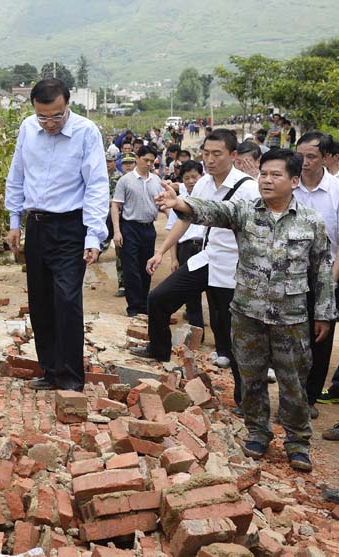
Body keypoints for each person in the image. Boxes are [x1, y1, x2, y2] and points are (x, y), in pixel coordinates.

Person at [156, 149, 336, 472]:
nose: (267, 180)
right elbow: (213, 211)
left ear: (294, 181)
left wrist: (323, 313)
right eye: (263, 174)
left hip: (291, 319)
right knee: (251, 378)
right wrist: (181, 203)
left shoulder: (311, 222)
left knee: (293, 382)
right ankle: (257, 432)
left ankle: (297, 443)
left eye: (276, 174)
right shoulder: (245, 212)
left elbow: (321, 271)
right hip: (248, 314)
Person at [140, 131, 259, 412]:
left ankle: (245, 400)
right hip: (207, 258)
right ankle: (158, 350)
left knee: (230, 334)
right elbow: (187, 217)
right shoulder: (204, 182)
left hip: (234, 267)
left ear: (233, 156)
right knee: (159, 298)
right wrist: (161, 250)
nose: (210, 159)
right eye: (206, 153)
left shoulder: (247, 188)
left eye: (217, 154)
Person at [5, 78, 110, 391]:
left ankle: (71, 378)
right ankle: (50, 371)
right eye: (43, 116)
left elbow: (96, 185)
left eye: (56, 115)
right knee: (41, 301)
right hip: (37, 225)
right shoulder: (27, 129)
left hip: (70, 227)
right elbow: (17, 174)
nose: (49, 123)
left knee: (66, 300)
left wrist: (94, 235)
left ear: (68, 105)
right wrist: (14, 220)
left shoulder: (86, 132)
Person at [293, 132, 339, 420]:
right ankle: (292, 395)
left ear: (325, 158)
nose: (305, 162)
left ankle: (309, 397)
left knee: (320, 336)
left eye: (311, 157)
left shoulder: (336, 190)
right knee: (290, 337)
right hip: (289, 275)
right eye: (301, 157)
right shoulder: (289, 185)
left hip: (329, 275)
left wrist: (330, 284)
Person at [111, 146, 166, 316]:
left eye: (151, 161)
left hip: (148, 229)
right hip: (130, 228)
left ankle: (143, 305)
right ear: (137, 159)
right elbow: (115, 205)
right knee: (131, 268)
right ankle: (134, 307)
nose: (148, 164)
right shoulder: (125, 180)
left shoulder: (156, 181)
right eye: (145, 160)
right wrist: (117, 231)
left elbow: (162, 204)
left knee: (146, 267)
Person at [165, 160, 206, 325]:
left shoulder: (210, 200)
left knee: (215, 293)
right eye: (186, 178)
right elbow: (172, 230)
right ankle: (197, 333)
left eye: (194, 177)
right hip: (186, 249)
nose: (190, 181)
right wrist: (174, 258)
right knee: (191, 295)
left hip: (205, 248)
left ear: (202, 177)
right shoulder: (178, 201)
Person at [104, 152, 125, 296]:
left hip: (118, 216)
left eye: (110, 161)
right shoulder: (99, 177)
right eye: (105, 161)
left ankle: (122, 283)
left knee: (120, 250)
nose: (107, 164)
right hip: (102, 216)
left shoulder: (121, 178)